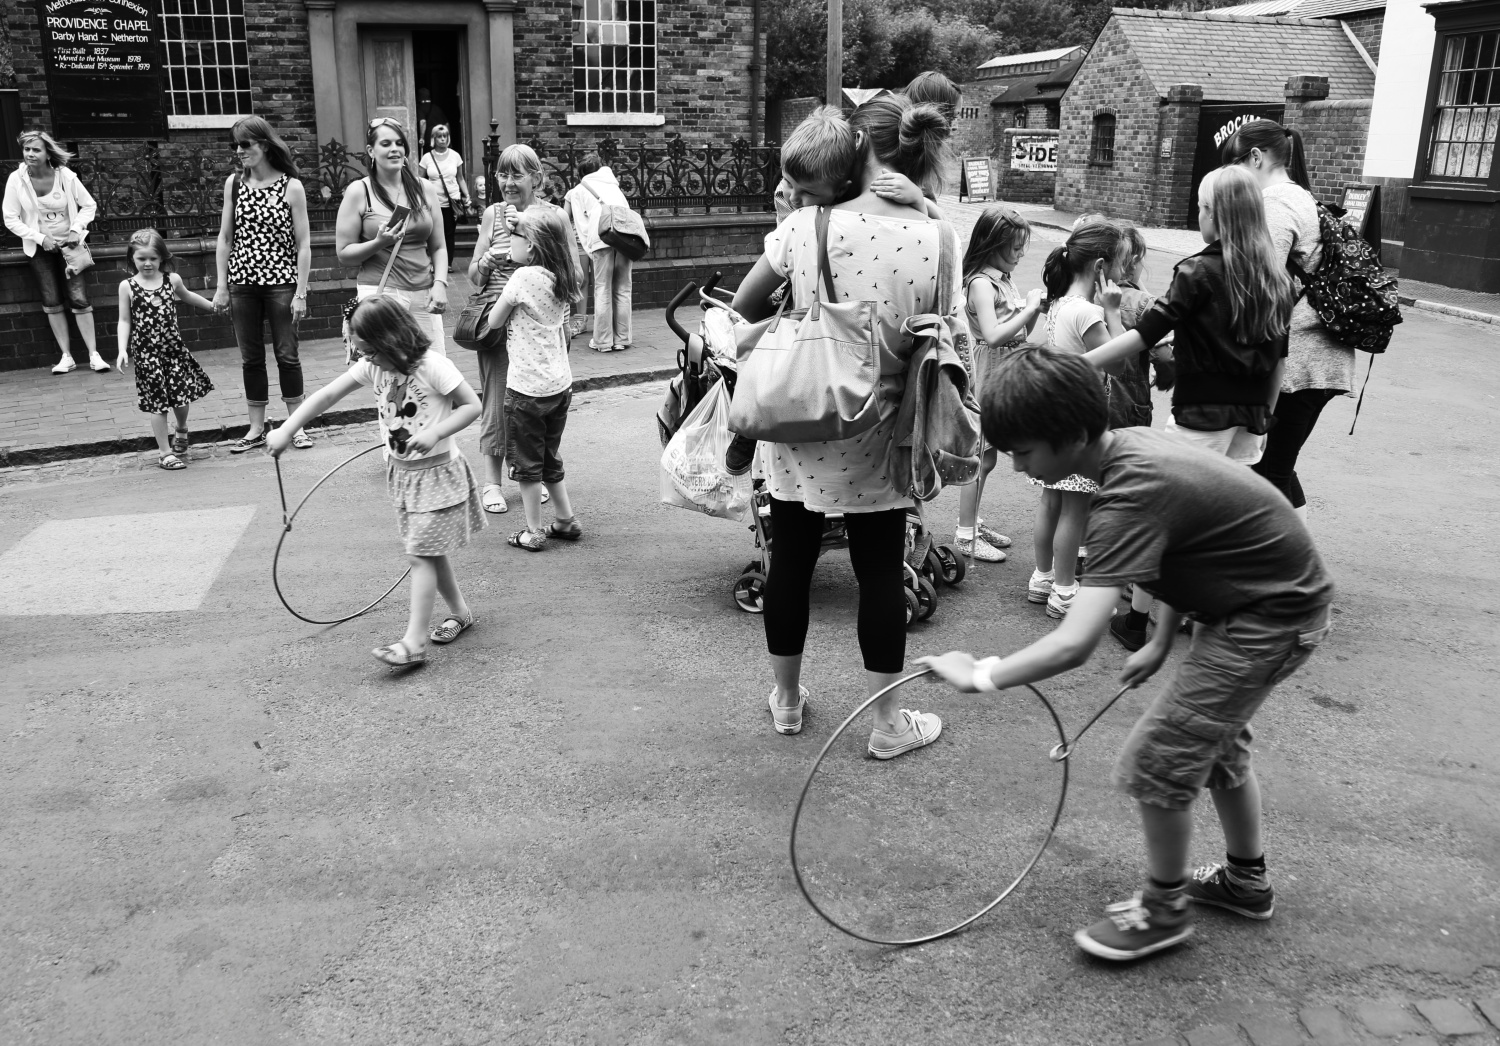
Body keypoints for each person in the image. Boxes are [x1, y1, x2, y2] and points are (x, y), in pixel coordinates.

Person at [919, 348, 1334, 963]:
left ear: (1074, 435)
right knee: (1217, 746)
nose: (1015, 466)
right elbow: (1189, 547)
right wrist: (1163, 637)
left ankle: (1163, 912)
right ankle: (1247, 882)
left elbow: (1075, 642)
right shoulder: (1126, 450)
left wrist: (982, 675)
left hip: (1270, 617)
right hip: (1251, 602)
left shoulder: (1127, 496)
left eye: (1025, 451)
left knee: (1160, 762)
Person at [731, 94, 957, 757]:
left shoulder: (808, 227)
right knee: (881, 571)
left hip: (804, 419)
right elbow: (949, 341)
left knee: (791, 562)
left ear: (858, 155)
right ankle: (888, 726)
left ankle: (789, 702)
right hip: (885, 434)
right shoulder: (937, 236)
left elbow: (745, 311)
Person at [1087, 166, 1295, 651]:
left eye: (1202, 208)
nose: (1198, 216)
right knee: (1219, 519)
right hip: (1249, 421)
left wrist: (1074, 364)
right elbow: (1278, 362)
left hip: (1200, 416)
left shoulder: (1197, 271)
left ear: (1217, 215)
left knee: (1164, 519)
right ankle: (1204, 615)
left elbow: (1144, 336)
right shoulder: (1275, 276)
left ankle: (1138, 622)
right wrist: (1263, 416)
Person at [269, 297, 484, 667]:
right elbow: (327, 395)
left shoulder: (432, 366)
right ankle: (461, 614)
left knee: (421, 556)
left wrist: (436, 434)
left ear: (393, 339)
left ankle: (412, 643)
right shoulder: (375, 368)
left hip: (438, 474)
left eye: (370, 350)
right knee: (430, 552)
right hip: (403, 475)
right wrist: (288, 429)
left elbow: (471, 406)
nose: (364, 358)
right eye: (361, 351)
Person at [1223, 119, 1355, 523]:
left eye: (1235, 165)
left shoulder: (1276, 204)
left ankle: (1278, 568)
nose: (1231, 178)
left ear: (1256, 157)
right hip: (1318, 357)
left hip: (1300, 362)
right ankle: (1274, 563)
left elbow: (1264, 285)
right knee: (1273, 465)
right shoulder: (1302, 197)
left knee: (1265, 470)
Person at [467, 143, 576, 514]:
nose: (508, 182)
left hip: (542, 325)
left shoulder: (554, 217)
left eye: (516, 174)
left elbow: (575, 272)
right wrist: (484, 262)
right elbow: (471, 278)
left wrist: (574, 320)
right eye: (502, 173)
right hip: (500, 324)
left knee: (540, 407)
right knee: (498, 402)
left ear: (536, 178)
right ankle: (492, 483)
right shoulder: (491, 215)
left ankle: (535, 475)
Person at [1030, 221, 1126, 619]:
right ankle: (1066, 590)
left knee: (1051, 500)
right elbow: (1119, 362)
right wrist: (1115, 312)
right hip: (1080, 419)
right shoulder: (1089, 313)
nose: (1124, 270)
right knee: (1077, 507)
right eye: (1121, 262)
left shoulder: (1060, 303)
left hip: (1054, 414)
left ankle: (1043, 577)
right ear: (1102, 266)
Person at [485, 207, 585, 551]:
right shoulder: (564, 274)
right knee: (548, 458)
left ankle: (533, 530)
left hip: (526, 389)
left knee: (527, 465)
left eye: (514, 237)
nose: (509, 242)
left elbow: (495, 322)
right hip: (559, 386)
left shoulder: (522, 278)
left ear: (530, 246)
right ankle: (566, 520)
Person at [213, 116, 313, 454]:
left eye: (246, 144)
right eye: (236, 145)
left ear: (264, 145)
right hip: (242, 284)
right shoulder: (234, 184)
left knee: (287, 354)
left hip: (281, 283)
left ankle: (295, 426)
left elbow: (304, 245)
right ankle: (256, 427)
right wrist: (222, 285)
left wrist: (301, 292)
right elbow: (225, 237)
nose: (239, 151)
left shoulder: (291, 187)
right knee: (251, 357)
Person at [955, 204, 1044, 563]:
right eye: (1016, 247)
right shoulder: (980, 282)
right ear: (993, 243)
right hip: (990, 367)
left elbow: (1020, 332)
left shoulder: (1002, 279)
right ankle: (964, 534)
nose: (1021, 254)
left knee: (988, 455)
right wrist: (1030, 308)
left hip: (1006, 364)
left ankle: (973, 522)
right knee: (980, 455)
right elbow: (992, 335)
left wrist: (1032, 312)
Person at [335, 116, 449, 362]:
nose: (395, 149)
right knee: (388, 372)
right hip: (381, 293)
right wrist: (378, 243)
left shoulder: (424, 188)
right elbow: (344, 253)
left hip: (423, 293)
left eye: (399, 143)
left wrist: (439, 283)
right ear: (371, 150)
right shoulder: (359, 191)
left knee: (434, 368)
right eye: (386, 144)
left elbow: (438, 246)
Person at [3, 130, 105, 374]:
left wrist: (76, 229)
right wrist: (39, 238)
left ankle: (94, 354)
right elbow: (10, 218)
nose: (30, 154)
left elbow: (88, 205)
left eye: (36, 149)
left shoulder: (65, 176)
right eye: (27, 149)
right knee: (51, 300)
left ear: (48, 152)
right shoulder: (16, 179)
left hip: (70, 247)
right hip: (39, 250)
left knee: (79, 298)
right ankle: (66, 356)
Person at [115, 230, 216, 471]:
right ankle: (164, 452)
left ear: (161, 257)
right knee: (157, 404)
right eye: (141, 258)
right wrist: (121, 350)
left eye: (153, 258)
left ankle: (181, 429)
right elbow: (124, 320)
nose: (147, 263)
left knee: (181, 398)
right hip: (147, 356)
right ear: (132, 258)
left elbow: (189, 296)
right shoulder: (127, 286)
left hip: (173, 351)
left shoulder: (172, 280)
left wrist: (213, 306)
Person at [563, 153, 634, 353]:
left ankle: (603, 341)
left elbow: (580, 223)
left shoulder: (579, 190)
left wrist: (589, 245)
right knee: (623, 288)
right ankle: (622, 339)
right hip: (625, 236)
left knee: (602, 288)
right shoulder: (613, 185)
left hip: (602, 238)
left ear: (581, 173)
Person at [420, 124, 472, 274]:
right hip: (433, 201)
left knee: (449, 232)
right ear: (433, 139)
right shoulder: (427, 157)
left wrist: (466, 195)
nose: (442, 139)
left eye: (445, 136)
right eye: (439, 136)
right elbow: (420, 179)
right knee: (432, 232)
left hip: (452, 201)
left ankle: (447, 263)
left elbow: (460, 178)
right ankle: (432, 261)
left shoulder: (455, 156)